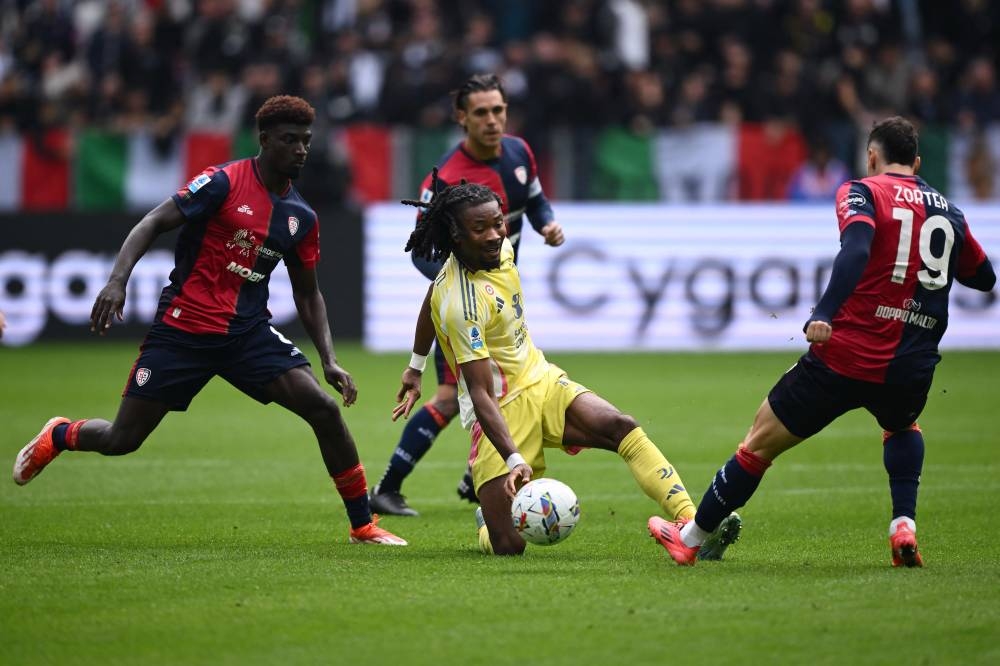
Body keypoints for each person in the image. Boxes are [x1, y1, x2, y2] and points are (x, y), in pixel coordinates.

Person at [12, 95, 407, 547]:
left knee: (323, 408)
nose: (301, 149)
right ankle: (60, 435)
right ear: (264, 141)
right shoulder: (222, 183)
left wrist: (330, 360)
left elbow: (307, 292)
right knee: (123, 439)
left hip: (247, 335)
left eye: (306, 141)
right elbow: (152, 222)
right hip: (183, 330)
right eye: (289, 140)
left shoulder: (301, 217)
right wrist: (117, 280)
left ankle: (362, 524)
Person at [649, 116, 996, 567]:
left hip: (847, 356)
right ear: (918, 160)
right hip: (912, 361)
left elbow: (855, 249)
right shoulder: (949, 211)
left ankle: (690, 539)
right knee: (901, 427)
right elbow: (985, 277)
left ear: (872, 155)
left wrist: (824, 312)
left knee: (757, 443)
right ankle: (902, 526)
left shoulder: (863, 191)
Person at [394, 178, 742, 556]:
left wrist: (415, 366)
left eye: (498, 223)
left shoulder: (498, 251)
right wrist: (513, 458)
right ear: (456, 236)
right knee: (508, 546)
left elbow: (430, 294)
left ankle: (693, 530)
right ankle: (488, 525)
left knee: (620, 427)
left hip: (540, 378)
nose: (495, 235)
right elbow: (480, 391)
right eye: (480, 229)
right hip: (501, 407)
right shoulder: (461, 303)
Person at [369, 73, 565, 517]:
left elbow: (535, 199)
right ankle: (392, 487)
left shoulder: (519, 152)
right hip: (469, 308)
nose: (493, 120)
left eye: (498, 110)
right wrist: (462, 284)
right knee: (450, 396)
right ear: (462, 118)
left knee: (511, 387)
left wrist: (546, 223)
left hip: (504, 303)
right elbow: (420, 252)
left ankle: (475, 475)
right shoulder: (447, 178)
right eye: (481, 113)